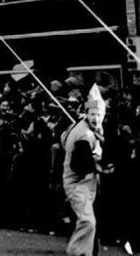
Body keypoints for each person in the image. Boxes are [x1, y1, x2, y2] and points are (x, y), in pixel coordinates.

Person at [62, 85, 106, 256]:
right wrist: (98, 164)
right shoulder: (84, 135)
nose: (96, 118)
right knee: (88, 221)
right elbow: (79, 166)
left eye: (99, 114)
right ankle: (76, 253)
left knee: (92, 221)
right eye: (93, 114)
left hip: (89, 184)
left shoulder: (83, 127)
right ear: (86, 114)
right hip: (78, 183)